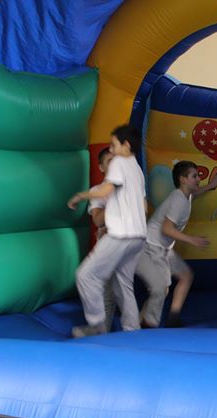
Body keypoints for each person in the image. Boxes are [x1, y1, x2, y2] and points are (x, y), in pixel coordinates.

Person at [68, 124, 147, 337]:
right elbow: (143, 206)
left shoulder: (119, 162)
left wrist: (80, 196)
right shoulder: (137, 168)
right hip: (138, 236)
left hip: (121, 234)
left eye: (113, 145)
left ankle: (96, 325)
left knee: (86, 275)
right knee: (123, 284)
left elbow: (105, 190)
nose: (111, 150)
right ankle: (133, 330)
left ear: (126, 145)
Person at [136, 161, 217, 328]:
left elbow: (193, 196)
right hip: (153, 245)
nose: (198, 179)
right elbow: (166, 229)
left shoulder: (184, 196)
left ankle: (172, 317)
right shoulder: (178, 200)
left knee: (185, 276)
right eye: (194, 176)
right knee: (161, 288)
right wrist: (192, 239)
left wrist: (211, 185)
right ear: (183, 179)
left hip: (163, 247)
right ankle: (146, 323)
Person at [87, 147, 116, 331]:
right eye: (110, 162)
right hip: (108, 250)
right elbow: (98, 220)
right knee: (108, 296)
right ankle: (101, 334)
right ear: (101, 167)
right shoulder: (97, 191)